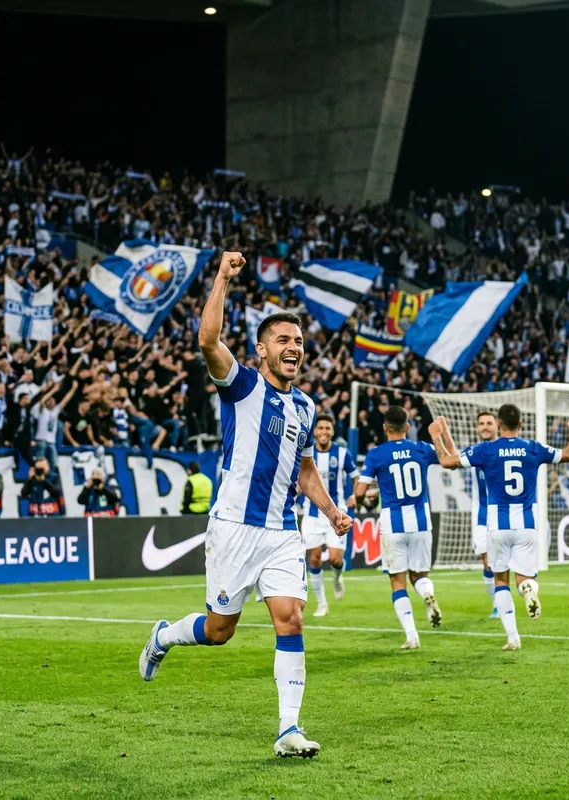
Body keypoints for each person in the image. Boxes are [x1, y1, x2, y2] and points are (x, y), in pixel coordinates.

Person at [139, 251, 352, 759]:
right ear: (261, 349)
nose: (293, 348)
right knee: (219, 632)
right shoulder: (242, 385)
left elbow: (305, 472)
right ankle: (165, 636)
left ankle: (288, 728)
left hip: (281, 530)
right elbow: (207, 340)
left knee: (290, 618)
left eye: (298, 342)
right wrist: (221, 280)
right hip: (234, 527)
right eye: (283, 340)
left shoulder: (306, 406)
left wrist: (329, 510)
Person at [429, 405, 569, 650]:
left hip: (497, 524)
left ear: (498, 425)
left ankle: (513, 638)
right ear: (521, 424)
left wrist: (437, 436)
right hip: (528, 524)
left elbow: (447, 462)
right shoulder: (534, 448)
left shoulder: (486, 450)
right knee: (525, 577)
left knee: (500, 579)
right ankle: (529, 589)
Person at [354, 405, 442, 650]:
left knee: (397, 581)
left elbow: (360, 491)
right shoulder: (422, 449)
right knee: (420, 576)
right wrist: (438, 435)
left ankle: (412, 636)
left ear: (384, 428)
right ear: (408, 427)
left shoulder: (376, 454)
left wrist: (360, 501)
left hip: (393, 523)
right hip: (421, 521)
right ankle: (426, 593)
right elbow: (446, 458)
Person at [301, 413, 358, 617]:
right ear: (315, 432)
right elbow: (300, 480)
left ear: (332, 432)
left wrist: (354, 494)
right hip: (312, 514)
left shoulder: (342, 453)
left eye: (328, 428)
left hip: (337, 512)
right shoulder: (306, 454)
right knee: (314, 559)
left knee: (335, 559)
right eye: (321, 428)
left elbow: (355, 477)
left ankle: (336, 577)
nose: (324, 432)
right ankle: (322, 604)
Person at [470, 411, 500, 619]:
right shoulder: (476, 452)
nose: (485, 427)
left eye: (489, 423)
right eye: (481, 424)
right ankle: (497, 605)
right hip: (482, 515)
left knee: (503, 562)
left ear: (497, 425)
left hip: (505, 513)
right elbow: (450, 459)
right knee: (487, 561)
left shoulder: (505, 448)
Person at [32, 380, 79, 469]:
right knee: (40, 464)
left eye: (53, 400)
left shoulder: (55, 412)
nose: (52, 402)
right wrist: (53, 390)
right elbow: (42, 401)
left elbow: (65, 400)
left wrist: (73, 389)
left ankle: (50, 480)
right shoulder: (42, 411)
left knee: (53, 463)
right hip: (41, 440)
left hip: (52, 442)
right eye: (50, 400)